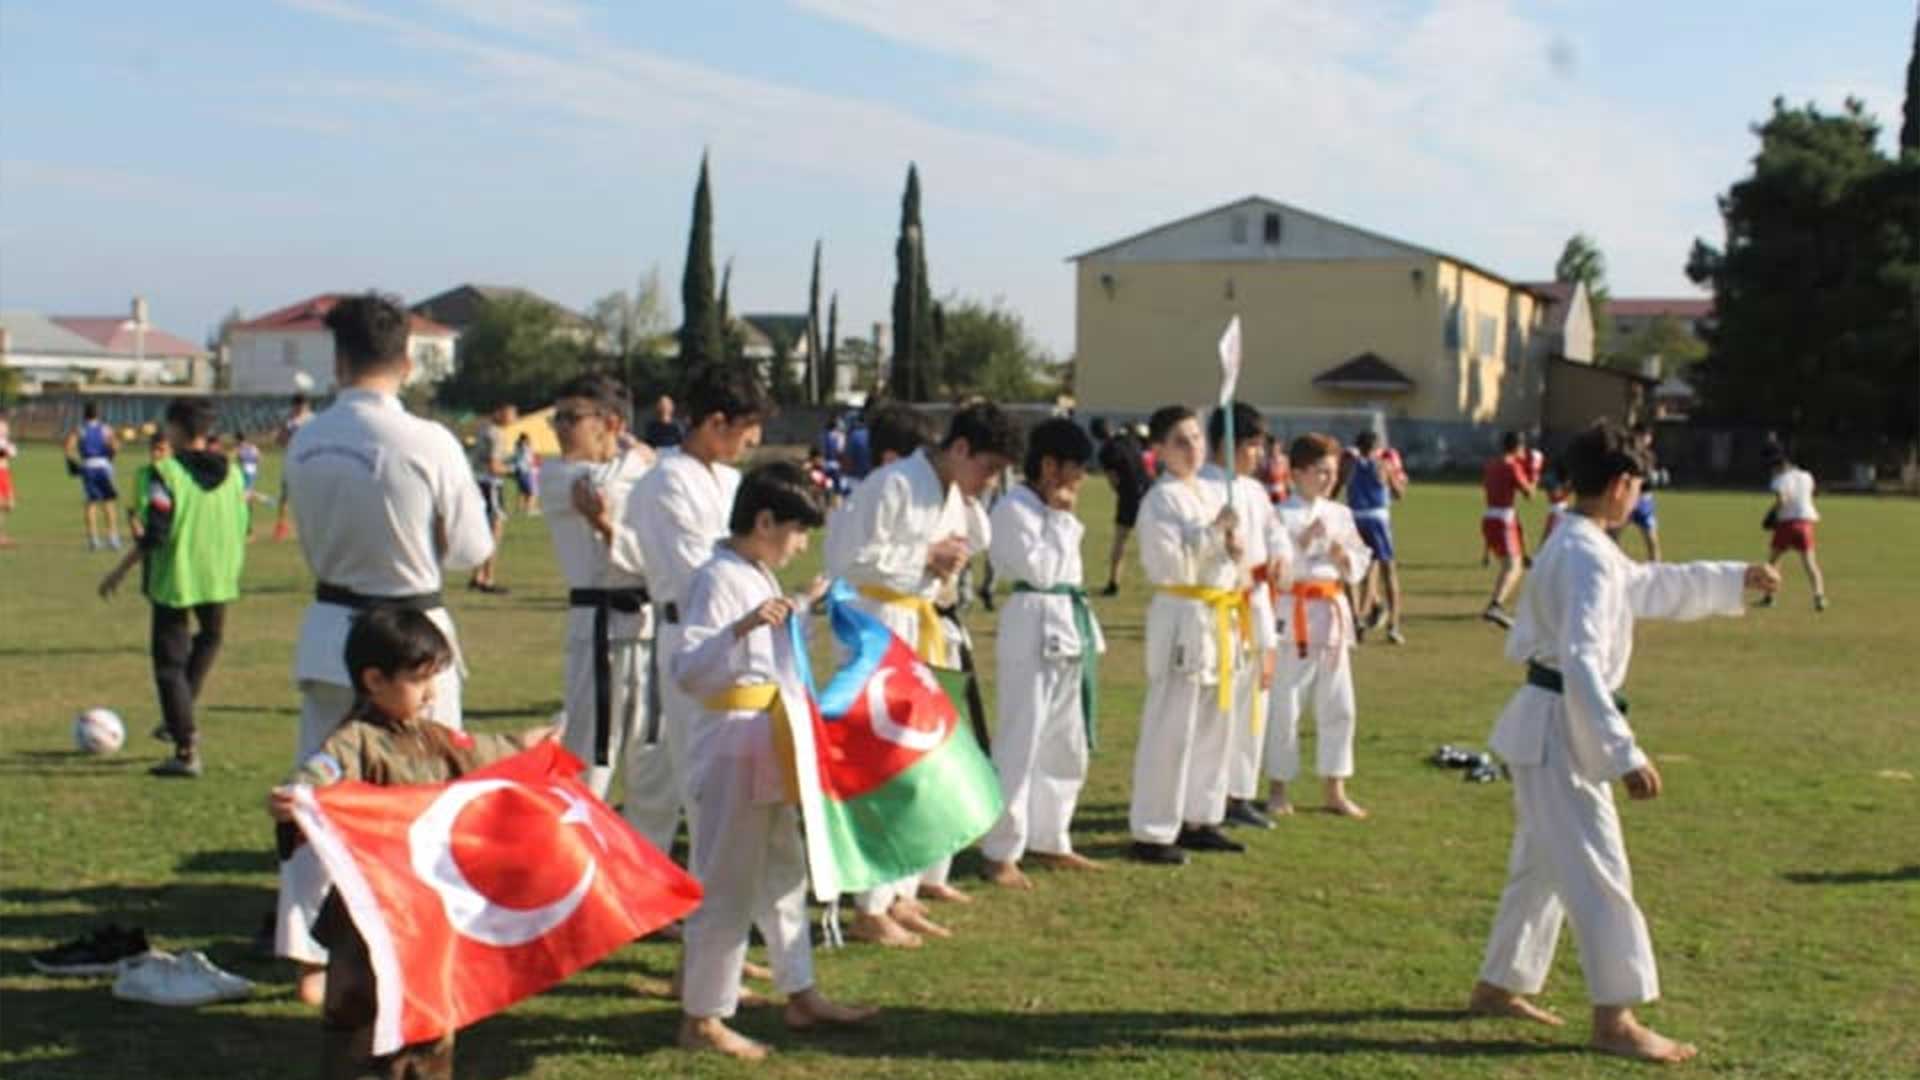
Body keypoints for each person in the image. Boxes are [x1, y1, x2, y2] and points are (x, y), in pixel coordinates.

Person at [1468, 419, 1778, 1064]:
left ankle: (1498, 985)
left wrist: (1732, 578)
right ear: (1620, 484)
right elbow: (1581, 660)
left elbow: (1647, 587)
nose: (1638, 498)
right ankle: (1616, 1017)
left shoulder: (1582, 544)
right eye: (1638, 486)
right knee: (1599, 870)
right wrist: (1624, 751)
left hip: (1551, 724)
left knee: (1541, 869)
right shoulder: (1583, 553)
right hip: (1561, 728)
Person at [277, 291, 494, 1007]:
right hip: (411, 635)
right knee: (425, 794)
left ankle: (308, 953)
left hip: (332, 627)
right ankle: (418, 936)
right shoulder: (428, 441)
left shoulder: (305, 438)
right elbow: (471, 549)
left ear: (338, 359)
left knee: (319, 795)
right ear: (406, 360)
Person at [267, 608, 556, 1078]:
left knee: (430, 1019)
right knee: (362, 1020)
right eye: (420, 680)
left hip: (427, 915)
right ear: (375, 680)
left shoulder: (433, 738)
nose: (432, 693)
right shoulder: (355, 742)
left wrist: (532, 744)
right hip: (369, 918)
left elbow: (484, 752)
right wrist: (295, 797)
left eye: (434, 678)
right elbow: (319, 775)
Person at [671, 462, 879, 1060]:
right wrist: (738, 629)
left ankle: (800, 991)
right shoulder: (716, 578)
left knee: (785, 871)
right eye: (797, 530)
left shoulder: (755, 574)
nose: (801, 544)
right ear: (764, 522)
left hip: (770, 736)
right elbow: (688, 670)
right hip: (732, 741)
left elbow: (775, 647)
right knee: (728, 881)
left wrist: (802, 604)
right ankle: (703, 1016)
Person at [829, 401, 1020, 943]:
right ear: (959, 448)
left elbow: (974, 541)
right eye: (987, 467)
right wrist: (924, 555)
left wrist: (947, 551)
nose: (991, 480)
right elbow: (847, 560)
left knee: (922, 764)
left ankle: (901, 893)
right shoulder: (890, 484)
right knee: (883, 767)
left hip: (923, 626)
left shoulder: (953, 494)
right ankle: (868, 908)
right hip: (877, 628)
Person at [626, 365, 773, 860]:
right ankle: (705, 887)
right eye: (747, 428)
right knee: (701, 775)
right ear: (716, 422)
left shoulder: (730, 480)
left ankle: (693, 879)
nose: (752, 441)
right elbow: (696, 573)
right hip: (690, 632)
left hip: (743, 630)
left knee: (728, 769)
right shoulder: (665, 482)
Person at [980, 418, 1106, 889]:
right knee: (1022, 739)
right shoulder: (1013, 509)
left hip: (1068, 622)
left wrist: (1061, 517)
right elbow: (1040, 570)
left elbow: (1068, 572)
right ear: (1049, 466)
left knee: (1065, 740)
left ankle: (1051, 837)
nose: (1080, 480)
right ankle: (1001, 849)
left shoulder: (1058, 512)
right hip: (1031, 620)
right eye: (1076, 469)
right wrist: (1057, 516)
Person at [96, 398, 248, 779]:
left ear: (177, 429)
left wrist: (119, 571)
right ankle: (180, 713)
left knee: (169, 666)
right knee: (210, 638)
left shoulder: (163, 474)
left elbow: (157, 534)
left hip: (177, 578)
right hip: (219, 576)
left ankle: (185, 747)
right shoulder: (233, 475)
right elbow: (243, 524)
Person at [1127, 404, 1244, 866]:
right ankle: (1153, 829)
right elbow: (1170, 564)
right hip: (1182, 613)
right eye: (1180, 440)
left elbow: (1224, 560)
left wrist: (1232, 548)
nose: (1193, 448)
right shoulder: (1160, 501)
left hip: (1217, 615)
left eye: (1197, 438)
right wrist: (1215, 534)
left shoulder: (1212, 492)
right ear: (1159, 449)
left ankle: (1201, 816)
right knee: (1172, 726)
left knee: (1215, 724)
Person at [538, 373, 658, 800]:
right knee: (590, 757)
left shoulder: (645, 476)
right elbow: (600, 488)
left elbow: (654, 554)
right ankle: (577, 836)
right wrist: (639, 457)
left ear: (610, 423)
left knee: (652, 761)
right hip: (595, 631)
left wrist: (637, 461)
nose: (560, 429)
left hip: (649, 626)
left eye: (571, 418)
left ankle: (647, 842)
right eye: (556, 419)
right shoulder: (556, 476)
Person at [1264, 433, 1372, 819]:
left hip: (1332, 613)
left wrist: (1343, 555)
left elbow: (1360, 562)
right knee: (1286, 706)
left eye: (1332, 472)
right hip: (1294, 615)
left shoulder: (1339, 514)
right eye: (1320, 471)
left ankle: (1334, 788)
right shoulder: (1279, 514)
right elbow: (1275, 572)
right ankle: (1278, 788)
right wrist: (1302, 543)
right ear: (1297, 473)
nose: (1328, 479)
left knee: (1340, 705)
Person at [1202, 404, 1288, 832]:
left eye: (1261, 446)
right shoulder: (1203, 488)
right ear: (1227, 444)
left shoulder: (1254, 491)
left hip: (1256, 602)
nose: (1259, 455)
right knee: (1221, 705)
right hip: (1221, 605)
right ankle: (1208, 796)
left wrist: (1280, 557)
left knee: (1255, 700)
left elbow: (1275, 532)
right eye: (1251, 445)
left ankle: (1240, 791)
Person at [1341, 429, 1408, 645]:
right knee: (1389, 572)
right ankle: (1393, 626)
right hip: (1378, 520)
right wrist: (1400, 482)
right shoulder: (1383, 465)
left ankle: (1356, 617)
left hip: (1355, 519)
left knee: (1356, 570)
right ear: (1377, 447)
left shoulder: (1350, 465)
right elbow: (1399, 494)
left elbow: (1337, 487)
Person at [1091, 417, 1154, 598]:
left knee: (1120, 540)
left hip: (1129, 495)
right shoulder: (1130, 439)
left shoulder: (1105, 452)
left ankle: (1113, 584)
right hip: (1149, 491)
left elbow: (1113, 480)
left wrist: (1121, 493)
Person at [1761, 447, 1826, 611]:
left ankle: (1769, 597)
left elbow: (1782, 500)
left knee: (1772, 563)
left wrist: (1771, 514)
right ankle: (1819, 596)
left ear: (1779, 466)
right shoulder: (1807, 476)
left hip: (1787, 524)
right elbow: (1810, 494)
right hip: (1806, 523)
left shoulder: (1779, 479)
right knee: (1810, 563)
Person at [1481, 431, 1536, 629]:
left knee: (1511, 564)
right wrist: (1534, 470)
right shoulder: (1512, 466)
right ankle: (1495, 606)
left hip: (1489, 516)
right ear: (1518, 447)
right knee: (1513, 566)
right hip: (1504, 518)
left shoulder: (1491, 465)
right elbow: (1530, 493)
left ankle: (1496, 605)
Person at [467, 402, 516, 595]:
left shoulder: (483, 429)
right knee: (493, 532)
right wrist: (514, 471)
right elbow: (494, 466)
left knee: (481, 531)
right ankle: (487, 578)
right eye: (511, 413)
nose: (514, 417)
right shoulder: (496, 434)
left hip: (479, 483)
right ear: (499, 412)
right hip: (491, 485)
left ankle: (476, 575)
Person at [65, 401, 123, 551]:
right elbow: (116, 446)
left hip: (87, 466)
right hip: (103, 466)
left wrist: (72, 462)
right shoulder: (105, 429)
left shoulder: (80, 429)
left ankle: (93, 539)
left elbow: (68, 447)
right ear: (98, 414)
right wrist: (111, 455)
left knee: (91, 503)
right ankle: (112, 538)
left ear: (84, 414)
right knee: (108, 502)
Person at [1608, 425, 1663, 562]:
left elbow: (1648, 481)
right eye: (1643, 435)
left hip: (1644, 502)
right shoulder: (1626, 455)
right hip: (1626, 499)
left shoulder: (1650, 456)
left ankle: (1655, 567)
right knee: (1612, 536)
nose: (1647, 439)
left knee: (1651, 539)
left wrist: (1654, 478)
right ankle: (1618, 563)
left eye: (1648, 436)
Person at [271, 393, 313, 542]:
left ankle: (311, 526)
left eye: (302, 405)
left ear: (307, 405)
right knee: (285, 495)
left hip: (310, 461)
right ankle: (281, 526)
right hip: (292, 460)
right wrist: (285, 436)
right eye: (297, 405)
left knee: (310, 494)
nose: (300, 408)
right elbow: (279, 441)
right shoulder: (288, 421)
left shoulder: (313, 419)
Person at [127, 432, 172, 544]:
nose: (155, 454)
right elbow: (133, 508)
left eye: (161, 450)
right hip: (148, 539)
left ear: (172, 451)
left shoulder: (180, 477)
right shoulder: (142, 474)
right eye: (152, 449)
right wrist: (136, 524)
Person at [511, 432, 538, 515]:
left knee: (522, 491)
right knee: (532, 492)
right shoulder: (525, 448)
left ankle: (519, 509)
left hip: (519, 470)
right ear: (525, 439)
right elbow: (529, 460)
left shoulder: (517, 447)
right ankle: (529, 509)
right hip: (526, 471)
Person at [0, 406, 15, 549]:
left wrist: (10, 450)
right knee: (4, 503)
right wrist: (8, 451)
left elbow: (6, 446)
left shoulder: (5, 426)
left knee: (10, 504)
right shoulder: (2, 426)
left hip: (4, 470)